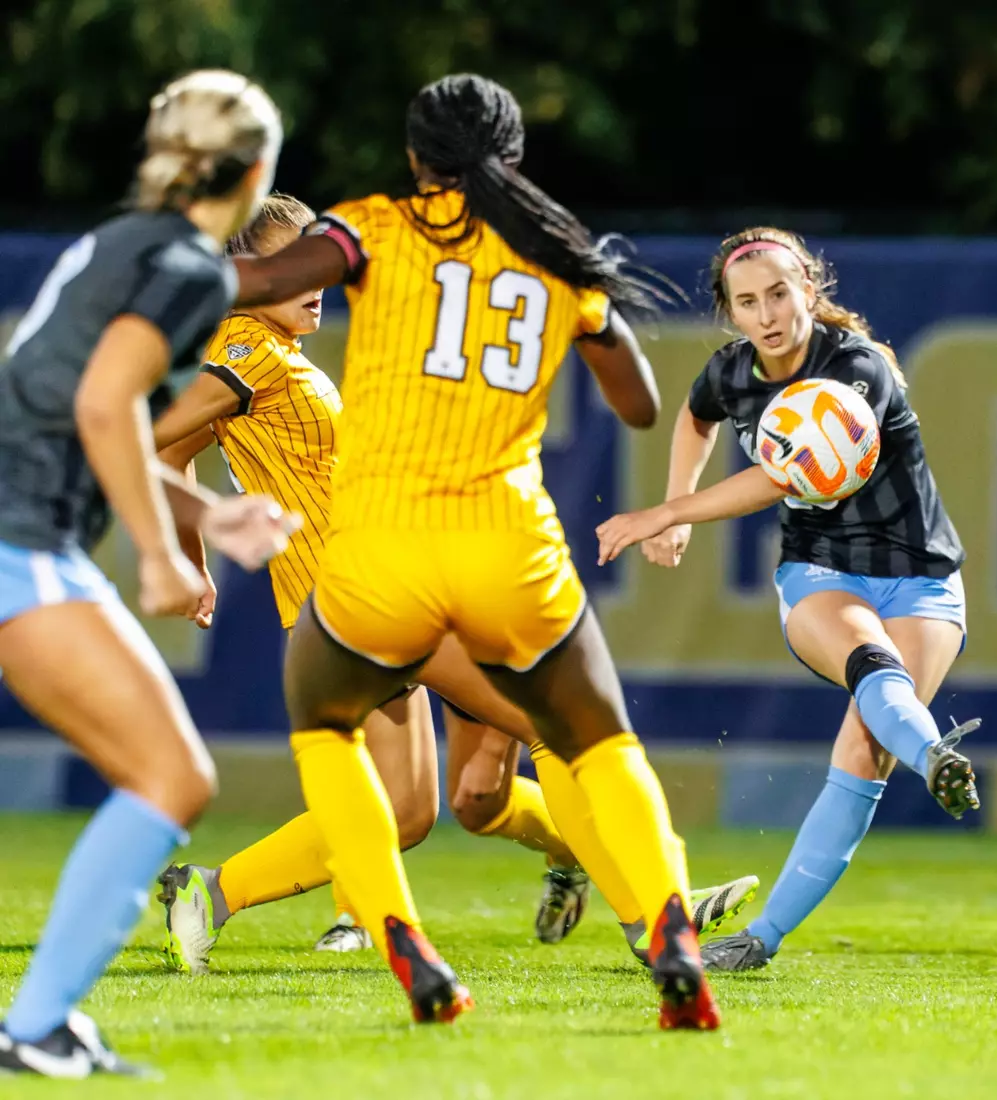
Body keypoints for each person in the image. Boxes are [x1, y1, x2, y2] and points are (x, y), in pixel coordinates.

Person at [223, 73, 718, 1027]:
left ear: (416, 158)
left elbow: (263, 281)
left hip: (386, 546)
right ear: (514, 158)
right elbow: (641, 404)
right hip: (508, 541)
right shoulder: (556, 254)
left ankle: (400, 936)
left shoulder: (368, 227)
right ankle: (669, 930)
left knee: (326, 726)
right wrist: (581, 299)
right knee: (597, 738)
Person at [151, 195, 755, 969]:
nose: (310, 281)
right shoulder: (251, 352)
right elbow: (154, 437)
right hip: (366, 589)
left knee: (407, 813)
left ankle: (214, 891)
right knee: (551, 724)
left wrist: (191, 559)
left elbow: (170, 454)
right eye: (286, 266)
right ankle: (654, 914)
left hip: (355, 594)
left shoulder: (269, 353)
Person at [0, 70, 300, 1078]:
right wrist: (167, 554)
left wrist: (206, 510)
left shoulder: (124, 239)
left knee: (168, 774)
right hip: (19, 537)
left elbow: (96, 409)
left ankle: (41, 1021)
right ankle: (35, 1023)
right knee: (171, 775)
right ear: (257, 171)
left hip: (29, 531)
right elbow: (103, 404)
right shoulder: (187, 266)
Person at [594, 227, 979, 972]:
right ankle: (934, 753)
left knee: (864, 749)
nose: (768, 313)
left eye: (779, 293)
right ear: (730, 313)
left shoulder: (858, 367)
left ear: (810, 289)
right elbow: (697, 414)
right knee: (874, 671)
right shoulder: (733, 372)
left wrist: (666, 514)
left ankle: (759, 939)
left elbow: (786, 474)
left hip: (924, 578)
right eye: (748, 302)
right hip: (822, 573)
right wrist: (677, 492)